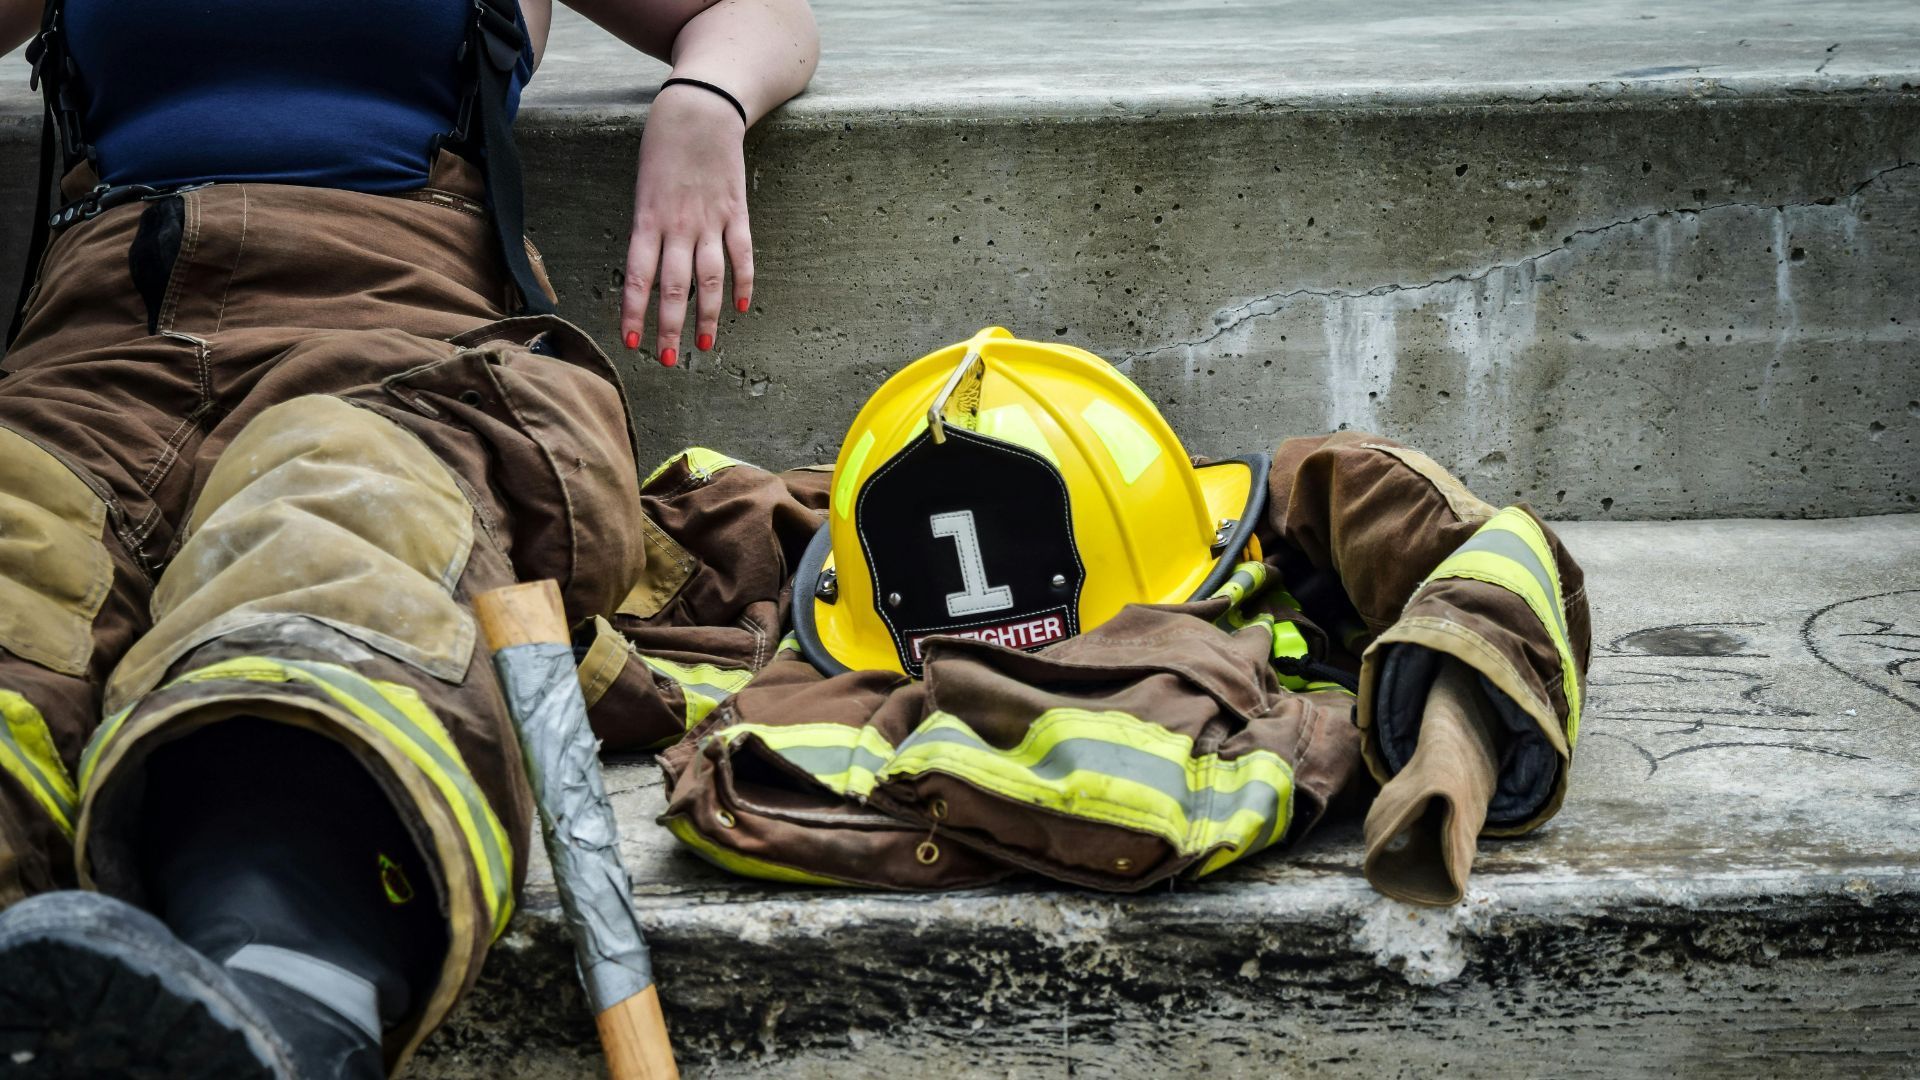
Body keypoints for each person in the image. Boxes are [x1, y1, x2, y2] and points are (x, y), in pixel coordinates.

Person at [0, 1, 817, 1077]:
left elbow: (753, 12)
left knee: (340, 535)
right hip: (95, 351)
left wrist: (704, 103)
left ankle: (282, 1005)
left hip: (396, 338)